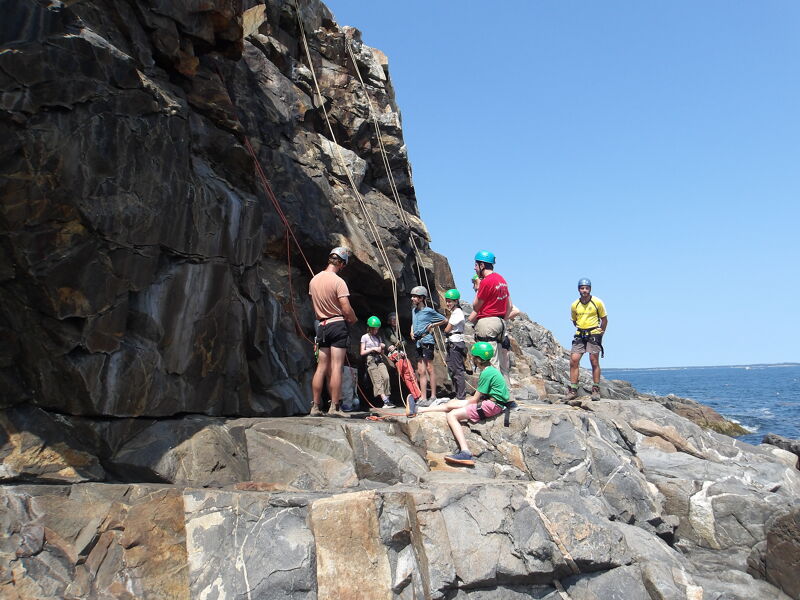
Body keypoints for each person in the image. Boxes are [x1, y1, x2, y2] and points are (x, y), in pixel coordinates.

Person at [410, 342, 510, 466]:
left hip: (492, 406)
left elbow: (474, 400)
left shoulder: (486, 373)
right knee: (451, 404)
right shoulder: (491, 370)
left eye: (473, 357)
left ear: (478, 359)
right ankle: (419, 410)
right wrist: (457, 402)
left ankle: (465, 451)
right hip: (494, 403)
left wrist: (460, 403)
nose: (472, 359)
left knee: (452, 415)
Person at [308, 247, 357, 417]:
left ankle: (315, 406)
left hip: (321, 325)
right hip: (337, 325)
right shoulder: (338, 282)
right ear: (342, 263)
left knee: (321, 367)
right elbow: (345, 307)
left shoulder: (314, 281)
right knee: (336, 367)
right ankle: (335, 407)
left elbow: (315, 307)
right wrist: (353, 318)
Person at [467, 251, 512, 371]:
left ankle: (491, 389)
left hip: (487, 323)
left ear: (482, 265)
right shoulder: (501, 279)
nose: (474, 268)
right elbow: (510, 305)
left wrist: (478, 287)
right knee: (500, 365)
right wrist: (502, 319)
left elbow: (476, 306)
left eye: (476, 265)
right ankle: (504, 389)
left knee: (489, 363)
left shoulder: (486, 281)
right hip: (500, 323)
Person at [567, 278, 608, 402]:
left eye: (586, 288)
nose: (584, 290)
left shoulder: (597, 302)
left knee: (593, 360)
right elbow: (574, 320)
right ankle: (573, 389)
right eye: (582, 288)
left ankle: (595, 389)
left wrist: (601, 331)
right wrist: (582, 327)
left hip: (594, 333)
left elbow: (604, 319)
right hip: (580, 333)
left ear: (590, 289)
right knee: (574, 360)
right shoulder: (575, 305)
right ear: (579, 289)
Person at [409, 286, 447, 404]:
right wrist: (411, 331)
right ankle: (423, 397)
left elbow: (444, 320)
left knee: (429, 368)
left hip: (427, 340)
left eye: (415, 297)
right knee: (421, 370)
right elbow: (413, 322)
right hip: (418, 342)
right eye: (413, 296)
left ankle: (433, 396)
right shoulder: (413, 311)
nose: (412, 298)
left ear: (421, 298)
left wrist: (433, 325)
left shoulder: (428, 311)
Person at [361, 316, 393, 408]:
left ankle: (387, 399)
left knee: (386, 377)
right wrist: (373, 348)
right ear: (369, 328)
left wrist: (381, 348)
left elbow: (382, 352)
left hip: (379, 359)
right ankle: (385, 401)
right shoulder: (365, 337)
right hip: (370, 360)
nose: (376, 331)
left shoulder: (378, 338)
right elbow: (362, 352)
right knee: (377, 380)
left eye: (377, 329)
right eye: (374, 329)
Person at [443, 289, 467, 400]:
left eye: (450, 301)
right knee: (453, 370)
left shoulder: (457, 312)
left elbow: (448, 328)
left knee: (457, 370)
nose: (448, 303)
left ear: (456, 301)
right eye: (447, 301)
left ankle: (461, 396)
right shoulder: (455, 312)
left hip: (455, 342)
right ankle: (457, 394)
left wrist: (445, 331)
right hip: (453, 342)